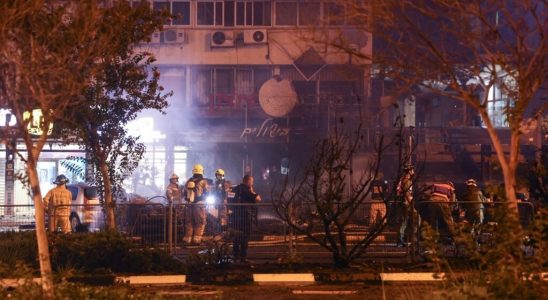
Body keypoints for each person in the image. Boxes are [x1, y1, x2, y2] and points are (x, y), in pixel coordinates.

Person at [230, 175, 261, 262]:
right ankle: (243, 257)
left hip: (235, 216)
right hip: (246, 217)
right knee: (245, 237)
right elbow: (258, 199)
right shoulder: (247, 190)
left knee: (236, 236)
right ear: (248, 181)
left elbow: (229, 200)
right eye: (252, 181)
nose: (252, 183)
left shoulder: (235, 189)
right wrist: (252, 191)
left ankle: (235, 256)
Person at [183, 164, 210, 245]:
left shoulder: (188, 181)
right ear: (202, 171)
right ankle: (196, 240)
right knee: (200, 222)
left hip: (189, 205)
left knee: (189, 222)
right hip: (199, 205)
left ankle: (188, 239)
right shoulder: (204, 181)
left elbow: (184, 192)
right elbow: (208, 192)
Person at [396, 165, 414, 246]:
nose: (413, 171)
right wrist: (410, 202)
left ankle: (402, 239)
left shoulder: (403, 179)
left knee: (406, 220)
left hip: (404, 202)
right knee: (415, 219)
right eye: (412, 170)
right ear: (409, 171)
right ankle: (402, 239)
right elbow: (406, 192)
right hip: (406, 202)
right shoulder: (406, 180)